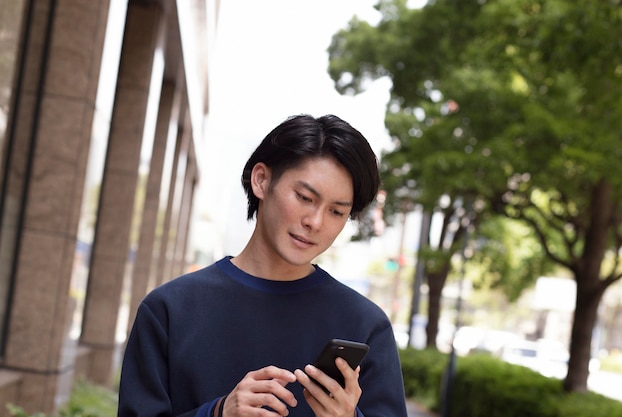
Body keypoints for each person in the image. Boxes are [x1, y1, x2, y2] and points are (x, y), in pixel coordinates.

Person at [117, 114, 408, 417]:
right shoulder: (170, 310)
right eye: (304, 197)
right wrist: (219, 413)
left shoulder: (366, 326)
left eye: (336, 211)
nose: (315, 222)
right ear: (261, 180)